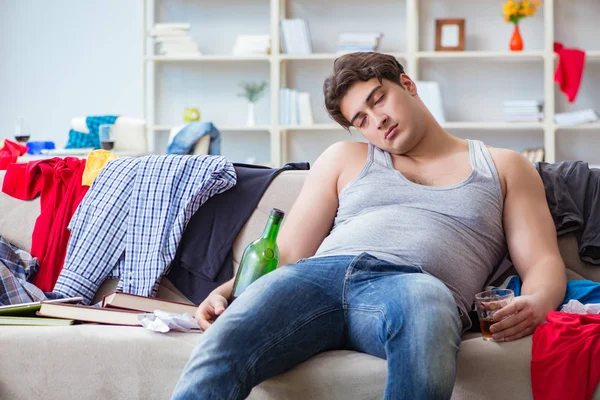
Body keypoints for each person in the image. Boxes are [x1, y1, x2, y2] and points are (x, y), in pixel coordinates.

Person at [171, 52, 566, 400]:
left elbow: (543, 262)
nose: (377, 121)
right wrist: (224, 292)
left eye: (379, 100)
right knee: (224, 342)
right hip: (312, 280)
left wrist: (538, 301)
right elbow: (289, 252)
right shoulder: (344, 158)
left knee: (426, 305)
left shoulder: (502, 165)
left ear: (407, 85)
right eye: (361, 119)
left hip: (414, 286)